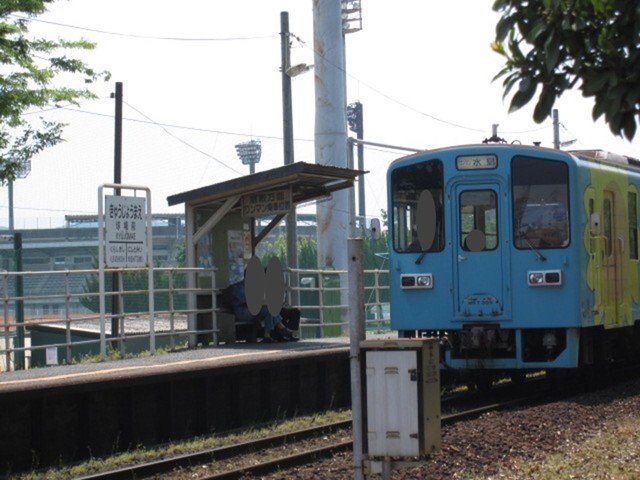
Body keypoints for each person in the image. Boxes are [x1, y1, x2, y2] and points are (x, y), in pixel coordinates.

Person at [225, 279, 297, 343]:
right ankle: (282, 329)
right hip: (243, 312)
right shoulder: (237, 287)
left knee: (269, 310)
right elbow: (248, 303)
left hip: (252, 311)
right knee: (268, 309)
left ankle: (268, 335)